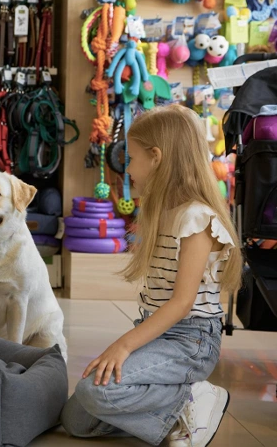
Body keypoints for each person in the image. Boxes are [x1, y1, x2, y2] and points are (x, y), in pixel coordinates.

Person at [61, 105, 242, 447]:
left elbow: (182, 303)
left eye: (131, 158)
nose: (127, 168)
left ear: (156, 157)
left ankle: (193, 398)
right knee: (76, 422)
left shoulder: (196, 218)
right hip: (157, 332)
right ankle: (172, 411)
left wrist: (124, 345)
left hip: (192, 341)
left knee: (93, 393)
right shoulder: (161, 212)